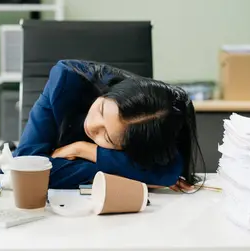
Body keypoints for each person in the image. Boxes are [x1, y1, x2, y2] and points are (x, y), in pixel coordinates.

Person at [14, 59, 205, 191]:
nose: (93, 125)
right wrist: (126, 171)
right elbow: (26, 169)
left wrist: (84, 150)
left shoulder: (154, 123)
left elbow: (169, 171)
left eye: (106, 137)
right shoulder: (64, 80)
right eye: (102, 110)